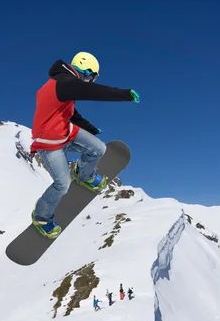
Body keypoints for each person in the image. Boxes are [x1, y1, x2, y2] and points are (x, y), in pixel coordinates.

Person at [30, 52, 140, 238]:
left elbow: (72, 114)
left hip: (64, 132)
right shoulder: (64, 83)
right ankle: (41, 216)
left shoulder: (65, 86)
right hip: (49, 142)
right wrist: (124, 94)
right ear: (87, 71)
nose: (91, 81)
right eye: (92, 77)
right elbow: (94, 92)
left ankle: (84, 175)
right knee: (62, 184)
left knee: (99, 148)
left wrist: (92, 129)